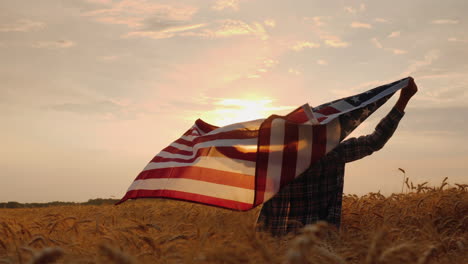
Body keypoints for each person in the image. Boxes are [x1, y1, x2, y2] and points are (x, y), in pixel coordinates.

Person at [257, 77, 418, 236]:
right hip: (318, 246)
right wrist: (403, 100)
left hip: (277, 249)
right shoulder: (332, 156)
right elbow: (375, 140)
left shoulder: (275, 160)